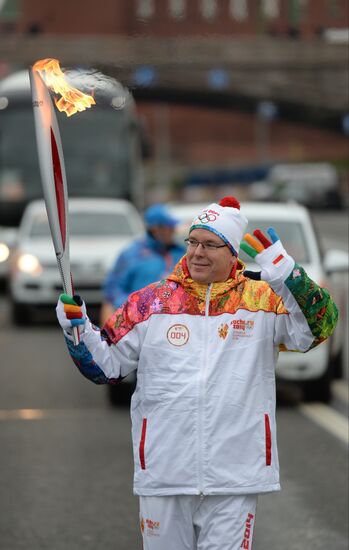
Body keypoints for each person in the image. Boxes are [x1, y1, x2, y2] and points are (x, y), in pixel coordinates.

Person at [56, 196, 338, 550]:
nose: (197, 253)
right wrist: (76, 331)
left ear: (232, 252)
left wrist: (289, 276)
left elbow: (321, 327)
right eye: (192, 242)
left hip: (235, 476)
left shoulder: (263, 301)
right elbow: (105, 367)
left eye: (209, 244)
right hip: (164, 471)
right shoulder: (151, 303)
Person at [100, 203, 185, 324]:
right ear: (156, 229)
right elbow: (113, 290)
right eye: (169, 227)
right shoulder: (132, 254)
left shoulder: (181, 253)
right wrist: (136, 306)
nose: (173, 231)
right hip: (136, 321)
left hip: (173, 320)